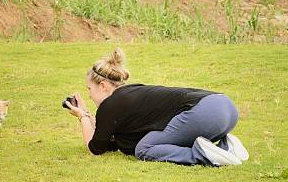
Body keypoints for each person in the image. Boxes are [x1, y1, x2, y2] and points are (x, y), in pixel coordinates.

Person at [64, 48, 249, 166]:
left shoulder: (110, 105)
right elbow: (110, 139)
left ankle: (205, 155)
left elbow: (95, 148)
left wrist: (83, 116)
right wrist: (89, 116)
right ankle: (227, 145)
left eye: (90, 89)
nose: (88, 94)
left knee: (144, 149)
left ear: (103, 86)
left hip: (204, 113)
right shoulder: (130, 94)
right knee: (159, 141)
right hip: (225, 107)